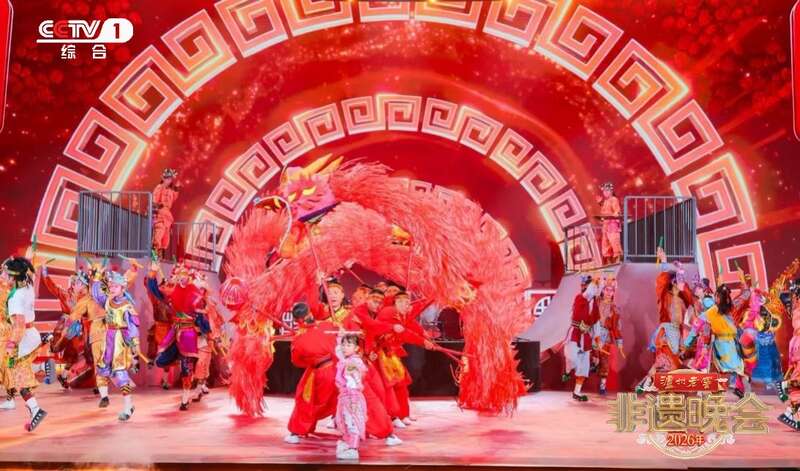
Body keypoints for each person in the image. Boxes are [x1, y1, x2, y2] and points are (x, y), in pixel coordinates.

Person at [147, 261, 204, 410]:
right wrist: (153, 273)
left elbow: (201, 317)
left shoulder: (196, 294)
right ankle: (162, 367)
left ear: (189, 277)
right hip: (175, 331)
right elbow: (156, 292)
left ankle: (185, 399)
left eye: (184, 275)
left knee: (186, 367)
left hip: (189, 334)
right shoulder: (173, 292)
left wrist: (208, 332)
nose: (181, 278)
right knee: (162, 358)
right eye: (179, 275)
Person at [0, 257, 48, 430]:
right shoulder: (26, 286)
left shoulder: (15, 298)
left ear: (13, 277)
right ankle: (34, 408)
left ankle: (35, 409)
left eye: (5, 273)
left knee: (17, 375)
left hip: (23, 339)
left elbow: (19, 325)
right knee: (19, 374)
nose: (2, 276)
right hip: (31, 334)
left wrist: (10, 345)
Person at [636, 253, 693, 394]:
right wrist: (664, 262)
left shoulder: (682, 299)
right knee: (663, 362)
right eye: (678, 280)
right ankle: (648, 384)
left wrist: (680, 270)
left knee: (672, 364)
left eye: (682, 280)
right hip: (666, 333)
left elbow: (688, 294)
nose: (682, 283)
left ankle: (648, 383)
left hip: (677, 334)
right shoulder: (664, 296)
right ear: (672, 282)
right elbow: (662, 282)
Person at [284, 302, 339, 444]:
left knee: (305, 400)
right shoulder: (328, 325)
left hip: (321, 371)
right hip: (338, 369)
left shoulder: (299, 339)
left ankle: (297, 431)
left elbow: (297, 361)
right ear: (310, 313)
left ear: (297, 320)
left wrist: (312, 361)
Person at [91, 269, 141, 421]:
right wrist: (97, 277)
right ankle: (106, 396)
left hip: (120, 340)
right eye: (111, 286)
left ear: (123, 288)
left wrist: (135, 346)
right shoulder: (108, 301)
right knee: (102, 369)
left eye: (115, 286)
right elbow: (96, 294)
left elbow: (133, 327)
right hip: (109, 338)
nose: (112, 289)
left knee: (120, 373)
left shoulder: (127, 306)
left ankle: (128, 406)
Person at [376, 290, 433, 424]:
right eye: (400, 302)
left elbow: (413, 325)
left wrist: (424, 334)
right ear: (394, 303)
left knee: (401, 384)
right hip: (379, 353)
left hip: (391, 354)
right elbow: (404, 334)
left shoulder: (403, 315)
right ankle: (392, 416)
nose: (404, 305)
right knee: (389, 386)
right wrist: (422, 341)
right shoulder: (389, 312)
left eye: (407, 302)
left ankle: (402, 414)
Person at [562, 274, 601, 401]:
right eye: (589, 285)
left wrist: (597, 340)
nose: (593, 289)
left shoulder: (595, 305)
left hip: (586, 336)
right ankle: (568, 370)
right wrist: (595, 281)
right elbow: (588, 294)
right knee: (572, 357)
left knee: (584, 366)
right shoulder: (580, 298)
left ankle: (577, 392)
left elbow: (596, 323)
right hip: (575, 333)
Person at [706, 284, 749, 397]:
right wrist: (744, 286)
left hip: (721, 343)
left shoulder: (712, 311)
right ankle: (737, 387)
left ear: (717, 297)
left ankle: (721, 389)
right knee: (738, 366)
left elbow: (703, 325)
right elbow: (746, 295)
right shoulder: (734, 306)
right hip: (732, 342)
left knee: (722, 368)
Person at [334, 333, 368, 461]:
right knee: (346, 421)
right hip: (345, 396)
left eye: (349, 345)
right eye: (343, 345)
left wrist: (353, 402)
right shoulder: (347, 360)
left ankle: (353, 449)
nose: (344, 347)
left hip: (351, 397)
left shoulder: (352, 363)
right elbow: (338, 351)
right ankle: (348, 445)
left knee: (352, 422)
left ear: (356, 348)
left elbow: (355, 384)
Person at [592, 275, 624, 395]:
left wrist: (619, 342)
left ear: (614, 292)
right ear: (603, 290)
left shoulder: (615, 309)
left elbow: (615, 328)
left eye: (611, 290)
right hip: (593, 333)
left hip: (605, 336)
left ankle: (602, 386)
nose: (609, 292)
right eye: (606, 289)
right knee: (593, 355)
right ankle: (593, 364)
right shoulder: (596, 301)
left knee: (604, 361)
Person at [778, 280, 800, 430]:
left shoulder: (794, 305)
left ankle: (793, 415)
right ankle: (785, 385)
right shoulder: (795, 305)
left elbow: (784, 296)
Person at [152, 168, 180, 257]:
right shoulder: (159, 187)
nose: (169, 180)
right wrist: (157, 208)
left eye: (170, 179)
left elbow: (174, 197)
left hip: (167, 215)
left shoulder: (170, 190)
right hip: (160, 214)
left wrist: (177, 188)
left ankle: (160, 255)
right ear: (164, 178)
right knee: (159, 234)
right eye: (167, 178)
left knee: (165, 238)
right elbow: (154, 200)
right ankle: (154, 255)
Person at [597, 182, 622, 265]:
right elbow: (604, 212)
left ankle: (618, 260)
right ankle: (609, 262)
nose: (605, 192)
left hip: (612, 224)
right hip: (606, 225)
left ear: (611, 191)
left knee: (614, 241)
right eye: (604, 191)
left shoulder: (614, 199)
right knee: (605, 244)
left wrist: (613, 216)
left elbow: (617, 211)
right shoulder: (606, 201)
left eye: (607, 190)